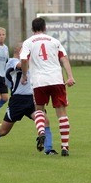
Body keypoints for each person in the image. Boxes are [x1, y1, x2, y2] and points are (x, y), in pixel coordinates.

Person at [0, 43, 57, 155]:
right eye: (25, 49)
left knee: (45, 120)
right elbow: (22, 64)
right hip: (17, 101)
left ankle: (48, 149)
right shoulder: (12, 61)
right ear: (18, 51)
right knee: (3, 131)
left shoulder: (29, 62)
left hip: (32, 99)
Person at [20, 18, 75, 157]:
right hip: (56, 79)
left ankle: (41, 132)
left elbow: (24, 59)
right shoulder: (54, 41)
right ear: (45, 28)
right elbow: (64, 59)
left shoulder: (28, 42)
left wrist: (24, 74)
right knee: (61, 113)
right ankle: (65, 147)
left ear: (32, 29)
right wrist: (70, 76)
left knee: (39, 109)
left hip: (39, 81)